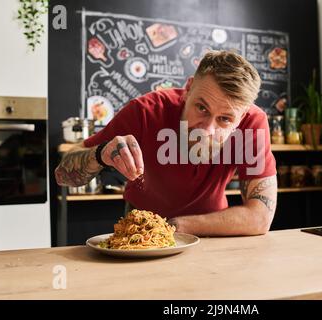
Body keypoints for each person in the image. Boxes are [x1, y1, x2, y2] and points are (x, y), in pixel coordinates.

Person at [55, 50, 277, 236]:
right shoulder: (145, 111)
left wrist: (174, 227)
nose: (207, 130)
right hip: (139, 229)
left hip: (215, 231)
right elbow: (63, 175)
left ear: (241, 116)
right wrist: (101, 153)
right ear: (188, 89)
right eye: (201, 108)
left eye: (225, 119)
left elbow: (260, 218)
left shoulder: (252, 122)